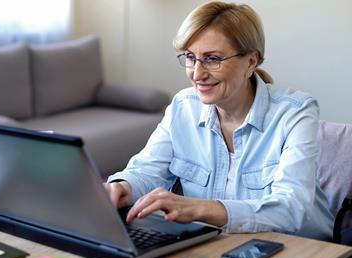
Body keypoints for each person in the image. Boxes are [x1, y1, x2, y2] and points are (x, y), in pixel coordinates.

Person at [105, 1, 334, 240]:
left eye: (212, 59)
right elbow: (147, 171)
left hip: (298, 250)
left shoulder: (295, 113)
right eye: (191, 57)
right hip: (219, 245)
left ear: (251, 62)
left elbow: (291, 209)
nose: (197, 73)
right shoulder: (184, 106)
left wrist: (197, 208)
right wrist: (123, 187)